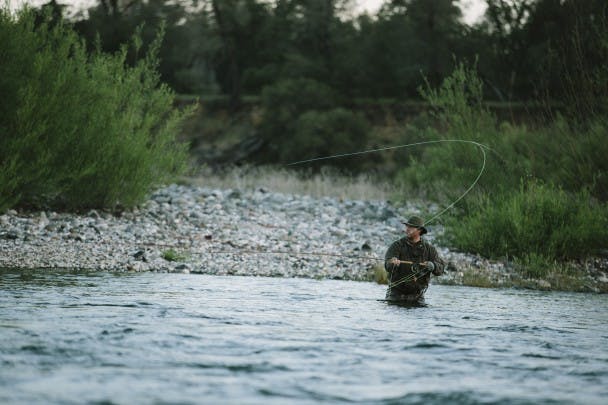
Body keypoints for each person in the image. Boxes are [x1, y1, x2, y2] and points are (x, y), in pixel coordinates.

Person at [384, 215, 445, 303]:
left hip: (417, 297)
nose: (407, 229)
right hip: (395, 295)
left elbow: (441, 268)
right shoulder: (397, 246)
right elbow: (387, 265)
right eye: (407, 226)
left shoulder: (429, 249)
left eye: (411, 227)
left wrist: (434, 266)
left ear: (419, 230)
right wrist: (392, 263)